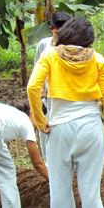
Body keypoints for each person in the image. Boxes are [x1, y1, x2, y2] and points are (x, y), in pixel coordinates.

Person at [27, 17, 104, 208]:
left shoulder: (50, 56)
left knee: (59, 191)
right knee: (90, 193)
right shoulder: (98, 59)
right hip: (90, 127)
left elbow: (33, 87)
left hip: (59, 128)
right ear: (88, 39)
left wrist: (41, 121)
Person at [33, 11, 71, 163]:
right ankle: (49, 165)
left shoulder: (73, 46)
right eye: (57, 33)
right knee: (47, 130)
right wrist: (39, 88)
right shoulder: (44, 45)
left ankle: (66, 163)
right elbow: (37, 68)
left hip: (65, 96)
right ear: (51, 29)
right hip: (47, 98)